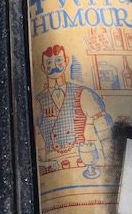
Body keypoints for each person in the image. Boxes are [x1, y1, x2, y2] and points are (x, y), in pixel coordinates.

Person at [34, 44, 114, 174]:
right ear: (43, 68)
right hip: (53, 167)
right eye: (49, 63)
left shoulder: (82, 94)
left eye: (58, 61)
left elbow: (104, 129)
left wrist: (110, 161)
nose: (54, 67)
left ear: (66, 61)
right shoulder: (38, 101)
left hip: (81, 161)